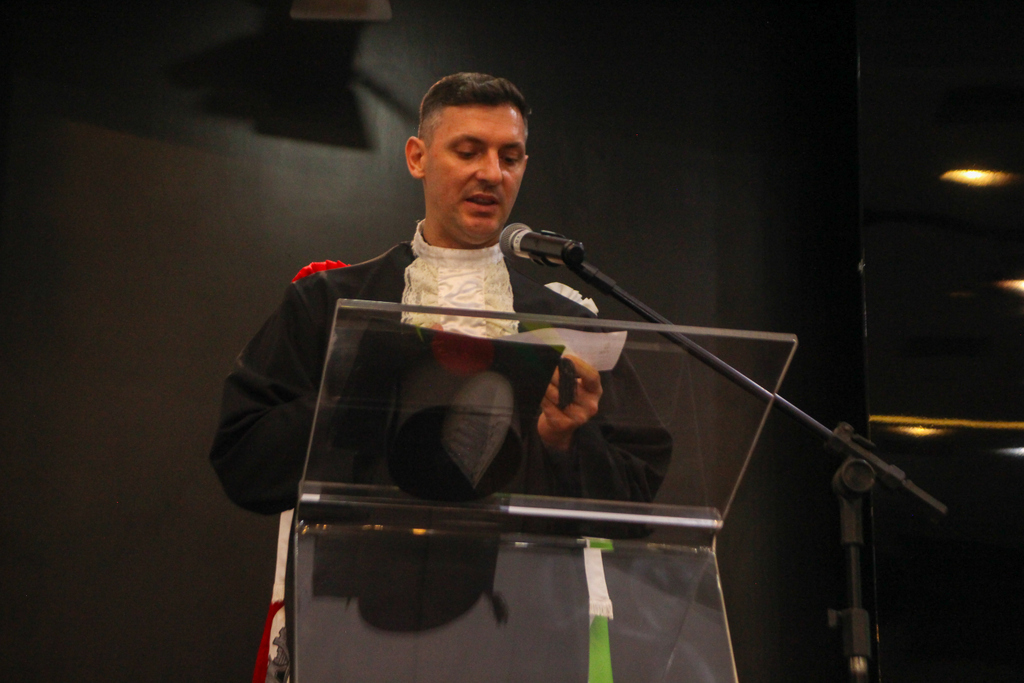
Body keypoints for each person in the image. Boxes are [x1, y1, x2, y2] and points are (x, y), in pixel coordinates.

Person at [210, 73, 670, 515]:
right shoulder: (330, 303)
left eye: (510, 158)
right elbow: (243, 464)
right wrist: (354, 394)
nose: (492, 173)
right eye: (469, 152)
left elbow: (636, 497)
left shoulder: (566, 323)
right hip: (362, 563)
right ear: (418, 158)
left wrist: (563, 442)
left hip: (516, 569)